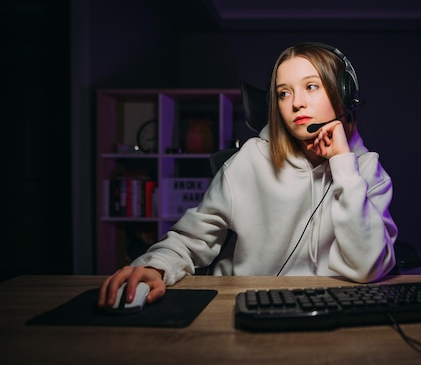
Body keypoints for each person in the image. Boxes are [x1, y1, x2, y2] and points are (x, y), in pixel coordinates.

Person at [98, 42, 398, 309]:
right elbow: (190, 240)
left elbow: (369, 266)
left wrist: (344, 166)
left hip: (330, 307)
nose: (296, 103)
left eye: (311, 86)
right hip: (243, 304)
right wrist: (156, 267)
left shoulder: (367, 170)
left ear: (345, 94)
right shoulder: (249, 161)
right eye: (284, 93)